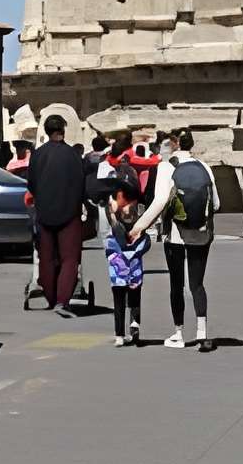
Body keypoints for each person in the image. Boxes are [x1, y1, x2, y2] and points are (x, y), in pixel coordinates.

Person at [135, 127, 221, 351]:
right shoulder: (205, 167)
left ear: (174, 145)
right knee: (197, 284)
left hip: (175, 234)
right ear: (192, 145)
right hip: (201, 233)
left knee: (176, 284)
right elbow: (217, 204)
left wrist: (139, 226)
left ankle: (179, 334)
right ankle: (202, 332)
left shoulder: (166, 167)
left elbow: (160, 201)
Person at [25, 115, 93, 316]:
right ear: (63, 129)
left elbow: (31, 183)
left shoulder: (38, 155)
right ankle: (62, 301)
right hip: (69, 212)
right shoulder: (73, 155)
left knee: (46, 257)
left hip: (44, 211)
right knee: (69, 258)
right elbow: (82, 183)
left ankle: (51, 297)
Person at [102, 181, 150, 346]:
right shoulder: (140, 207)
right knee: (135, 294)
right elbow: (144, 230)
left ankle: (119, 335)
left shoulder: (113, 208)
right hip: (134, 259)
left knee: (118, 298)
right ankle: (134, 324)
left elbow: (114, 231)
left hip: (117, 261)